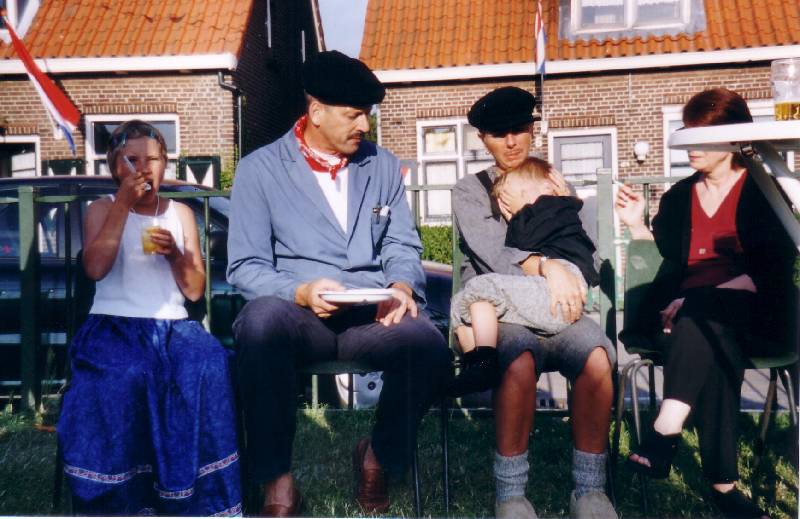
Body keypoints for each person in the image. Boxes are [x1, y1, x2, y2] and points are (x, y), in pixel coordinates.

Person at [226, 50, 451, 517]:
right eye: (353, 115)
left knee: (428, 343)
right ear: (316, 113)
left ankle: (377, 457)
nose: (365, 125)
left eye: (367, 114)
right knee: (258, 323)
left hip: (370, 317)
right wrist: (300, 292)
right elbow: (245, 265)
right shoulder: (259, 169)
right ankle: (277, 482)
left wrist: (401, 287)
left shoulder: (382, 165)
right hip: (297, 315)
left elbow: (402, 245)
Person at [615, 88, 796, 519]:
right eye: (688, 132)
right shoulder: (679, 197)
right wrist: (637, 225)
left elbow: (769, 273)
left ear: (733, 138)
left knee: (706, 316)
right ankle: (723, 488)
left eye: (703, 135)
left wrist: (696, 298)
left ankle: (664, 432)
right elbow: (667, 259)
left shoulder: (765, 191)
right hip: (687, 321)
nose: (692, 145)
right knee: (711, 337)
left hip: (755, 313)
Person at [57, 120, 242, 516]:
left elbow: (194, 291)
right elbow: (95, 268)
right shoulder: (101, 209)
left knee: (209, 365)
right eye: (133, 159)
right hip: (113, 324)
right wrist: (123, 204)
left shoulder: (180, 213)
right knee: (126, 375)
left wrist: (176, 255)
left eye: (153, 159)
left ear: (165, 165)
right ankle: (123, 496)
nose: (144, 168)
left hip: (174, 327)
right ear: (115, 165)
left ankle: (195, 493)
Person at [453, 86, 618, 519]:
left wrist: (567, 206)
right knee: (519, 361)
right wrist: (548, 265)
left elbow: (587, 252)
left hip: (557, 306)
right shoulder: (471, 191)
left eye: (519, 130)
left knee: (597, 357)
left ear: (532, 129)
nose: (511, 142)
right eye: (498, 134)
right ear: (482, 139)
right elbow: (494, 257)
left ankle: (590, 491)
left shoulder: (553, 181)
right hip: (503, 311)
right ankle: (511, 495)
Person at [449, 157, 599, 396]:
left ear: (547, 188)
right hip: (556, 293)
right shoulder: (565, 210)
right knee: (465, 300)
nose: (508, 204)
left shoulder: (545, 209)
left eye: (514, 195)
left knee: (478, 288)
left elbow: (518, 245)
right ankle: (478, 362)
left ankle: (482, 362)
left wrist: (515, 219)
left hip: (556, 292)